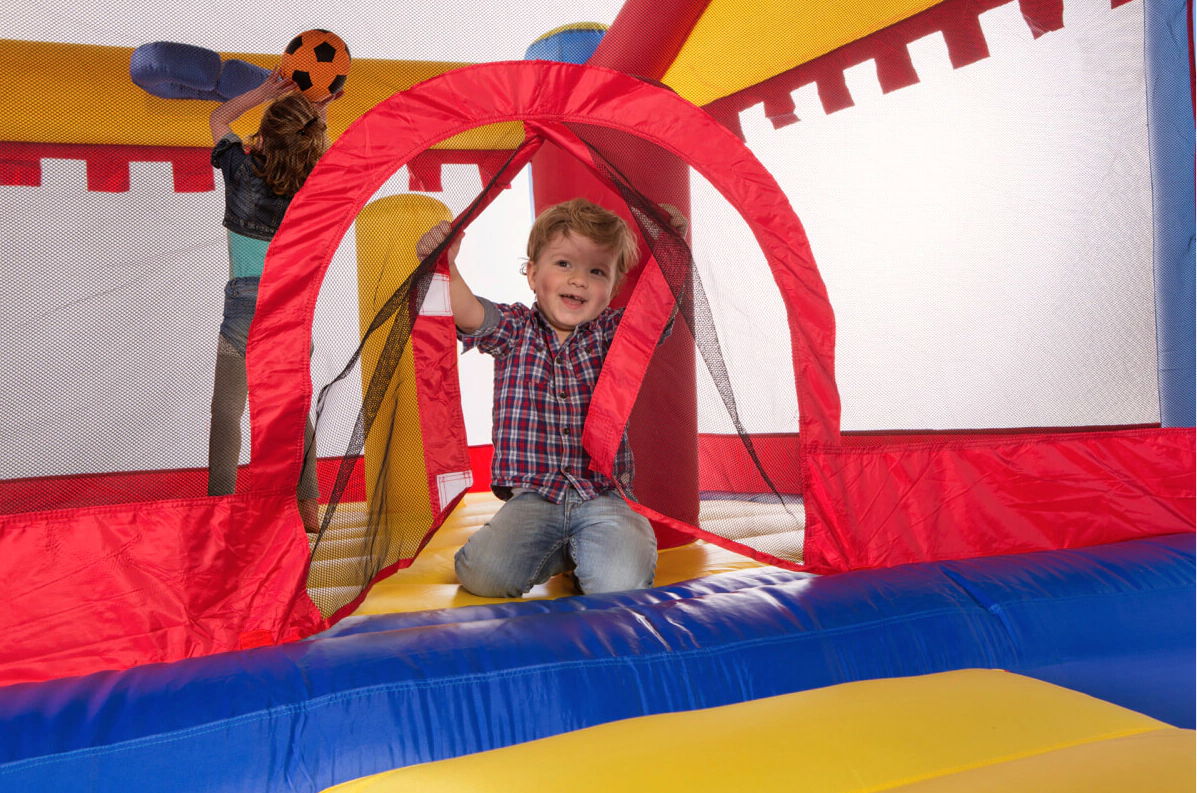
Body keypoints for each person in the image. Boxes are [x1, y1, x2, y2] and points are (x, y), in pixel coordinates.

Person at [417, 198, 686, 597]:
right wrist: (446, 265)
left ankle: (590, 551)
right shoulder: (515, 329)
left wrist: (671, 248)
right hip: (534, 498)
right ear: (531, 274)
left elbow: (655, 314)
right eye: (564, 264)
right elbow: (468, 313)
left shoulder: (612, 335)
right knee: (484, 576)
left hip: (602, 497)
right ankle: (565, 552)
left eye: (596, 271)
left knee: (620, 583)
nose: (579, 280)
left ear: (613, 288)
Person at [206, 69, 339, 533]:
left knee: (227, 412)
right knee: (293, 410)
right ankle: (308, 505)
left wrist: (263, 92)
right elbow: (315, 150)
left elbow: (219, 118)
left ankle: (219, 505)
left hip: (244, 309)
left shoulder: (239, 171)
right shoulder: (314, 189)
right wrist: (318, 111)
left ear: (260, 138)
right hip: (291, 310)